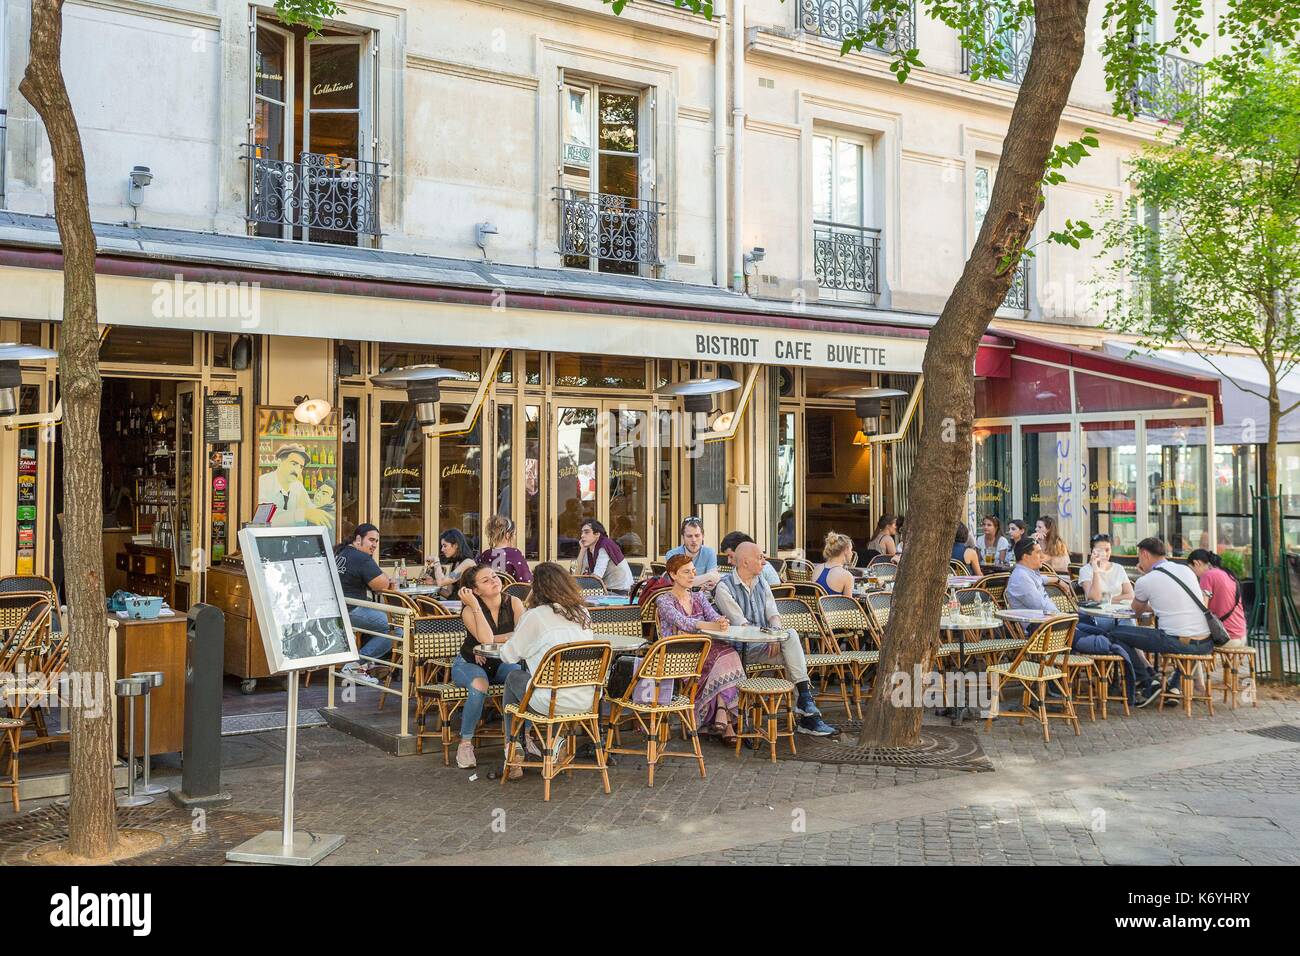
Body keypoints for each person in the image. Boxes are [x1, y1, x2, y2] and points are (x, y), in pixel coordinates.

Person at [713, 542, 837, 736]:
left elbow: (774, 615)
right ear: (745, 562)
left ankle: (806, 706)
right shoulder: (724, 588)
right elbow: (742, 626)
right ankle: (808, 715)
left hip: (765, 646)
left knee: (791, 641)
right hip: (739, 652)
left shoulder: (761, 580)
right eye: (760, 557)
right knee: (794, 656)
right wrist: (772, 638)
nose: (765, 561)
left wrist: (776, 635)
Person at [1005, 537, 1136, 704]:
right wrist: (1066, 617)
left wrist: (1057, 579)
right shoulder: (1021, 578)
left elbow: (1042, 580)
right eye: (1038, 553)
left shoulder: (1029, 573)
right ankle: (1113, 647)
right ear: (1025, 557)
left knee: (1093, 624)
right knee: (1093, 633)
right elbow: (1042, 607)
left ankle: (1115, 644)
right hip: (1042, 630)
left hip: (1053, 622)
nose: (1042, 556)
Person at [498, 563, 598, 779]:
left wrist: (514, 640)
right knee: (551, 683)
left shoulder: (535, 616)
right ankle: (553, 743)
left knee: (514, 676)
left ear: (537, 587)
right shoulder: (582, 612)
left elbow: (508, 656)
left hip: (550, 701)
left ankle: (513, 745)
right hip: (586, 699)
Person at [1109, 537, 1213, 706]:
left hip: (1177, 642)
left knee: (1115, 634)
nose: (1139, 560)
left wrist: (1145, 581)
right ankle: (1171, 686)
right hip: (1205, 643)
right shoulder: (1186, 570)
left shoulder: (1146, 581)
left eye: (1139, 556)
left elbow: (1135, 612)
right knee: (1176, 632)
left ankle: (1148, 681)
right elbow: (1173, 601)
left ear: (1144, 554)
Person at [653, 554, 743, 742]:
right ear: (673, 575)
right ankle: (725, 719)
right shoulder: (664, 600)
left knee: (730, 653)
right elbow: (683, 622)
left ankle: (721, 711)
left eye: (693, 571)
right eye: (686, 572)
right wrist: (708, 626)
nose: (692, 575)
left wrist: (721, 621)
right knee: (725, 656)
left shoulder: (699, 596)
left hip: (704, 648)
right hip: (678, 654)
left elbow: (712, 615)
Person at [451, 564, 526, 769]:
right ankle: (465, 744)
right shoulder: (469, 610)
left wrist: (494, 640)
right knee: (479, 685)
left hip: (502, 662)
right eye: (486, 580)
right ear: (475, 590)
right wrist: (475, 606)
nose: (494, 581)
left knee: (519, 678)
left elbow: (520, 637)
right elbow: (485, 639)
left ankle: (514, 742)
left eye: (494, 576)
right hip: (469, 663)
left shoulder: (515, 603)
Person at [334, 524, 398, 679]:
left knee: (384, 622)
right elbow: (382, 585)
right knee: (396, 630)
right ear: (358, 539)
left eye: (376, 541)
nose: (374, 545)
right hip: (351, 610)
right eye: (371, 540)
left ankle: (360, 668)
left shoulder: (341, 551)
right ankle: (355, 666)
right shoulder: (361, 558)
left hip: (336, 609)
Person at [1188, 548, 1251, 698]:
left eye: (1191, 569)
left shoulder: (1207, 576)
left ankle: (1197, 685)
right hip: (1241, 635)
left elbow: (1202, 607)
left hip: (1226, 637)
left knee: (1191, 644)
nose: (1192, 575)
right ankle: (1194, 684)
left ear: (1197, 563)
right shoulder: (1227, 574)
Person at [258, 444, 330, 527]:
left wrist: (323, 510)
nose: (297, 470)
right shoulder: (263, 483)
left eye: (301, 467)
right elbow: (263, 520)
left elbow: (310, 508)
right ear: (279, 463)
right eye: (294, 464)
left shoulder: (298, 486)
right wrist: (302, 514)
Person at [576, 519, 634, 594]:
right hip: (606, 590)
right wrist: (583, 549)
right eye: (582, 532)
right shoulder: (590, 548)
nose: (582, 536)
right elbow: (577, 573)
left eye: (586, 532)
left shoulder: (605, 545)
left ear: (597, 534)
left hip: (620, 592)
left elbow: (596, 577)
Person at [1078, 534, 1134, 608]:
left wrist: (1106, 600)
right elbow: (1095, 598)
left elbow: (1130, 595)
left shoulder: (1119, 568)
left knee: (1130, 619)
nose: (1104, 553)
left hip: (1121, 612)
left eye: (1107, 550)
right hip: (1099, 614)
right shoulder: (1085, 570)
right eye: (1100, 550)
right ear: (1092, 551)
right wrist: (1095, 569)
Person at [665, 516, 722, 589]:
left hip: (705, 596)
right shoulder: (672, 554)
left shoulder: (709, 552)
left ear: (703, 536)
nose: (694, 540)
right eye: (689, 536)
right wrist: (709, 576)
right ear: (683, 537)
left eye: (697, 535)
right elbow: (677, 581)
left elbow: (714, 580)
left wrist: (690, 582)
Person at [476, 514, 532, 583]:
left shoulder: (485, 555)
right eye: (514, 534)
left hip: (489, 593)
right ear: (507, 535)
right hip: (510, 593)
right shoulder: (515, 553)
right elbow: (526, 579)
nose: (515, 537)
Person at [431, 529, 476, 597]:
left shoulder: (468, 562)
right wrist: (433, 583)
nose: (442, 549)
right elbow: (449, 593)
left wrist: (436, 561)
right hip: (456, 604)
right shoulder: (455, 563)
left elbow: (441, 582)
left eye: (445, 546)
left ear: (456, 545)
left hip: (467, 605)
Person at [813, 531, 856, 597]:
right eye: (851, 550)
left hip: (815, 607)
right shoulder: (846, 576)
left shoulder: (817, 568)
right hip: (835, 607)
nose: (852, 553)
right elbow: (849, 606)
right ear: (845, 551)